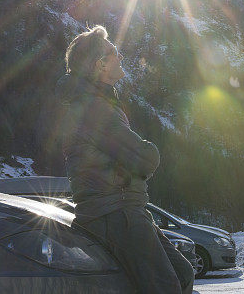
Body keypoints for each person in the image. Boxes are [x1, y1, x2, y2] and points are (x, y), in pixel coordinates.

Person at [58, 25, 194, 294]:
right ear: (101, 64)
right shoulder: (94, 107)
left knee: (183, 273)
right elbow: (141, 158)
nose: (120, 56)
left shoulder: (96, 101)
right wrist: (153, 151)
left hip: (123, 209)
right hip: (114, 213)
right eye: (114, 52)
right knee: (166, 287)